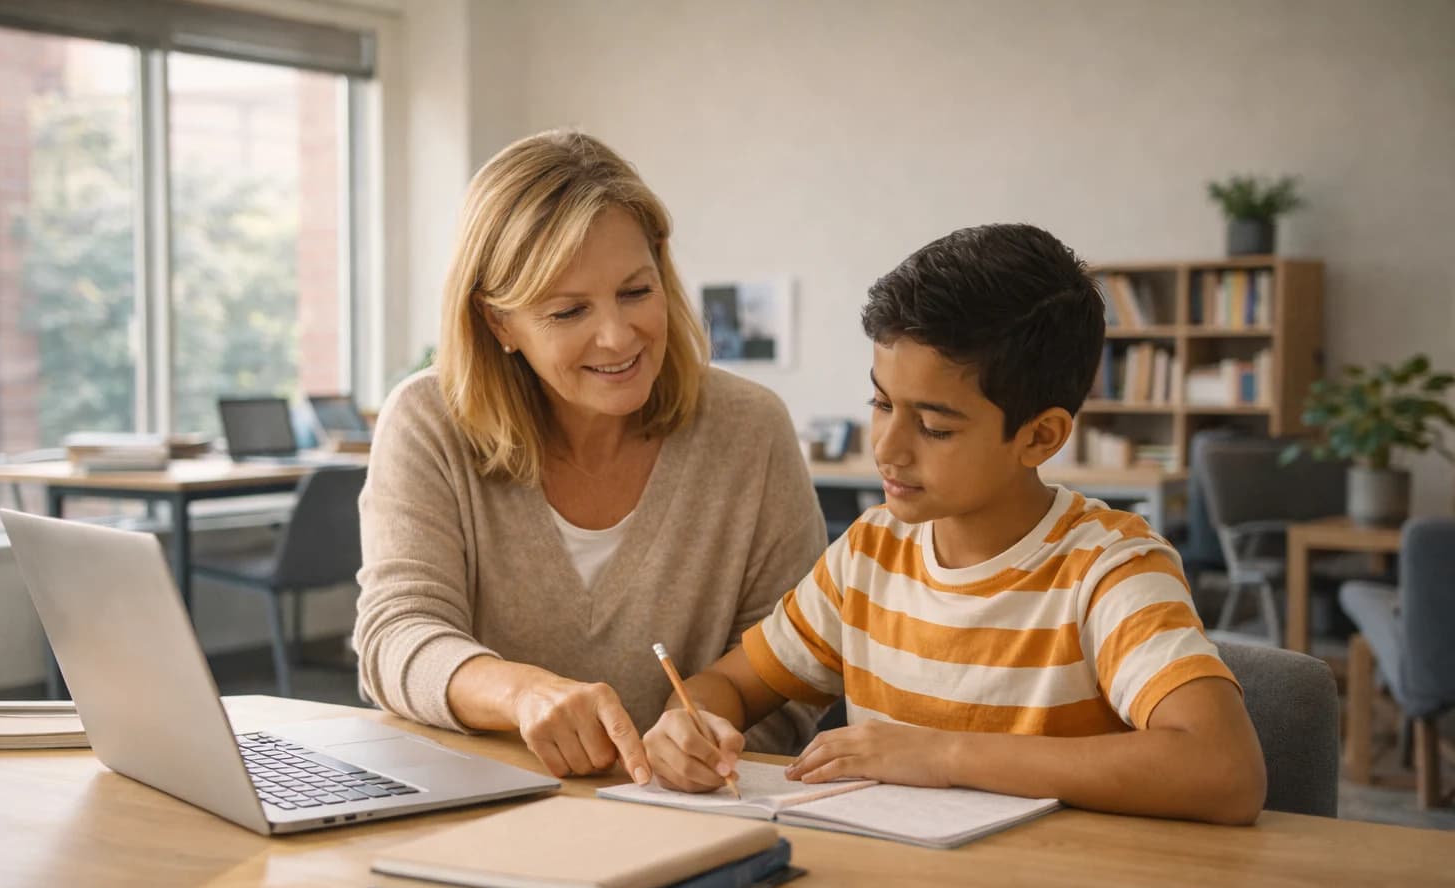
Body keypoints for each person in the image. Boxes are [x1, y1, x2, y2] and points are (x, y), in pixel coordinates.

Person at [642, 224, 1268, 826]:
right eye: (882, 403)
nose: (887, 448)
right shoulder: (869, 553)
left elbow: (1224, 769)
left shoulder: (1109, 568)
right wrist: (690, 721)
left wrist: (943, 755)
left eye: (935, 427)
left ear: (1040, 436)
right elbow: (728, 684)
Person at [354, 130, 825, 782]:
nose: (617, 336)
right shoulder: (428, 422)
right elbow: (396, 636)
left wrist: (715, 735)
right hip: (483, 809)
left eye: (636, 292)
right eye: (568, 310)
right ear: (499, 324)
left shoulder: (751, 429)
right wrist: (521, 694)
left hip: (693, 816)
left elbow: (794, 661)